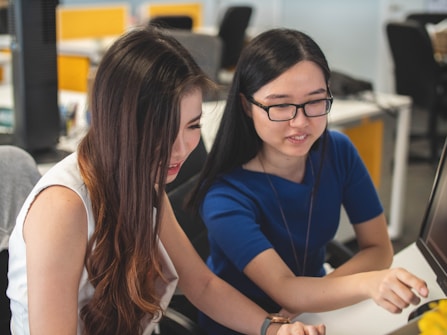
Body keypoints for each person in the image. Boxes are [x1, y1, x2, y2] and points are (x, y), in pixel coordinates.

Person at [6, 26, 325, 335]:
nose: (182, 148)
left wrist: (274, 329)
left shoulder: (144, 178)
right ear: (122, 123)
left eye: (192, 125)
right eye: (163, 129)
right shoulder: (64, 208)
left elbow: (202, 284)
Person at [187, 28, 429, 334]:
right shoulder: (225, 195)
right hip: (249, 326)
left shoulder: (337, 150)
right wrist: (364, 283)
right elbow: (284, 289)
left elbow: (379, 248)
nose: (300, 122)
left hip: (315, 312)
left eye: (315, 101)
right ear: (247, 106)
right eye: (281, 105)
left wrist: (316, 295)